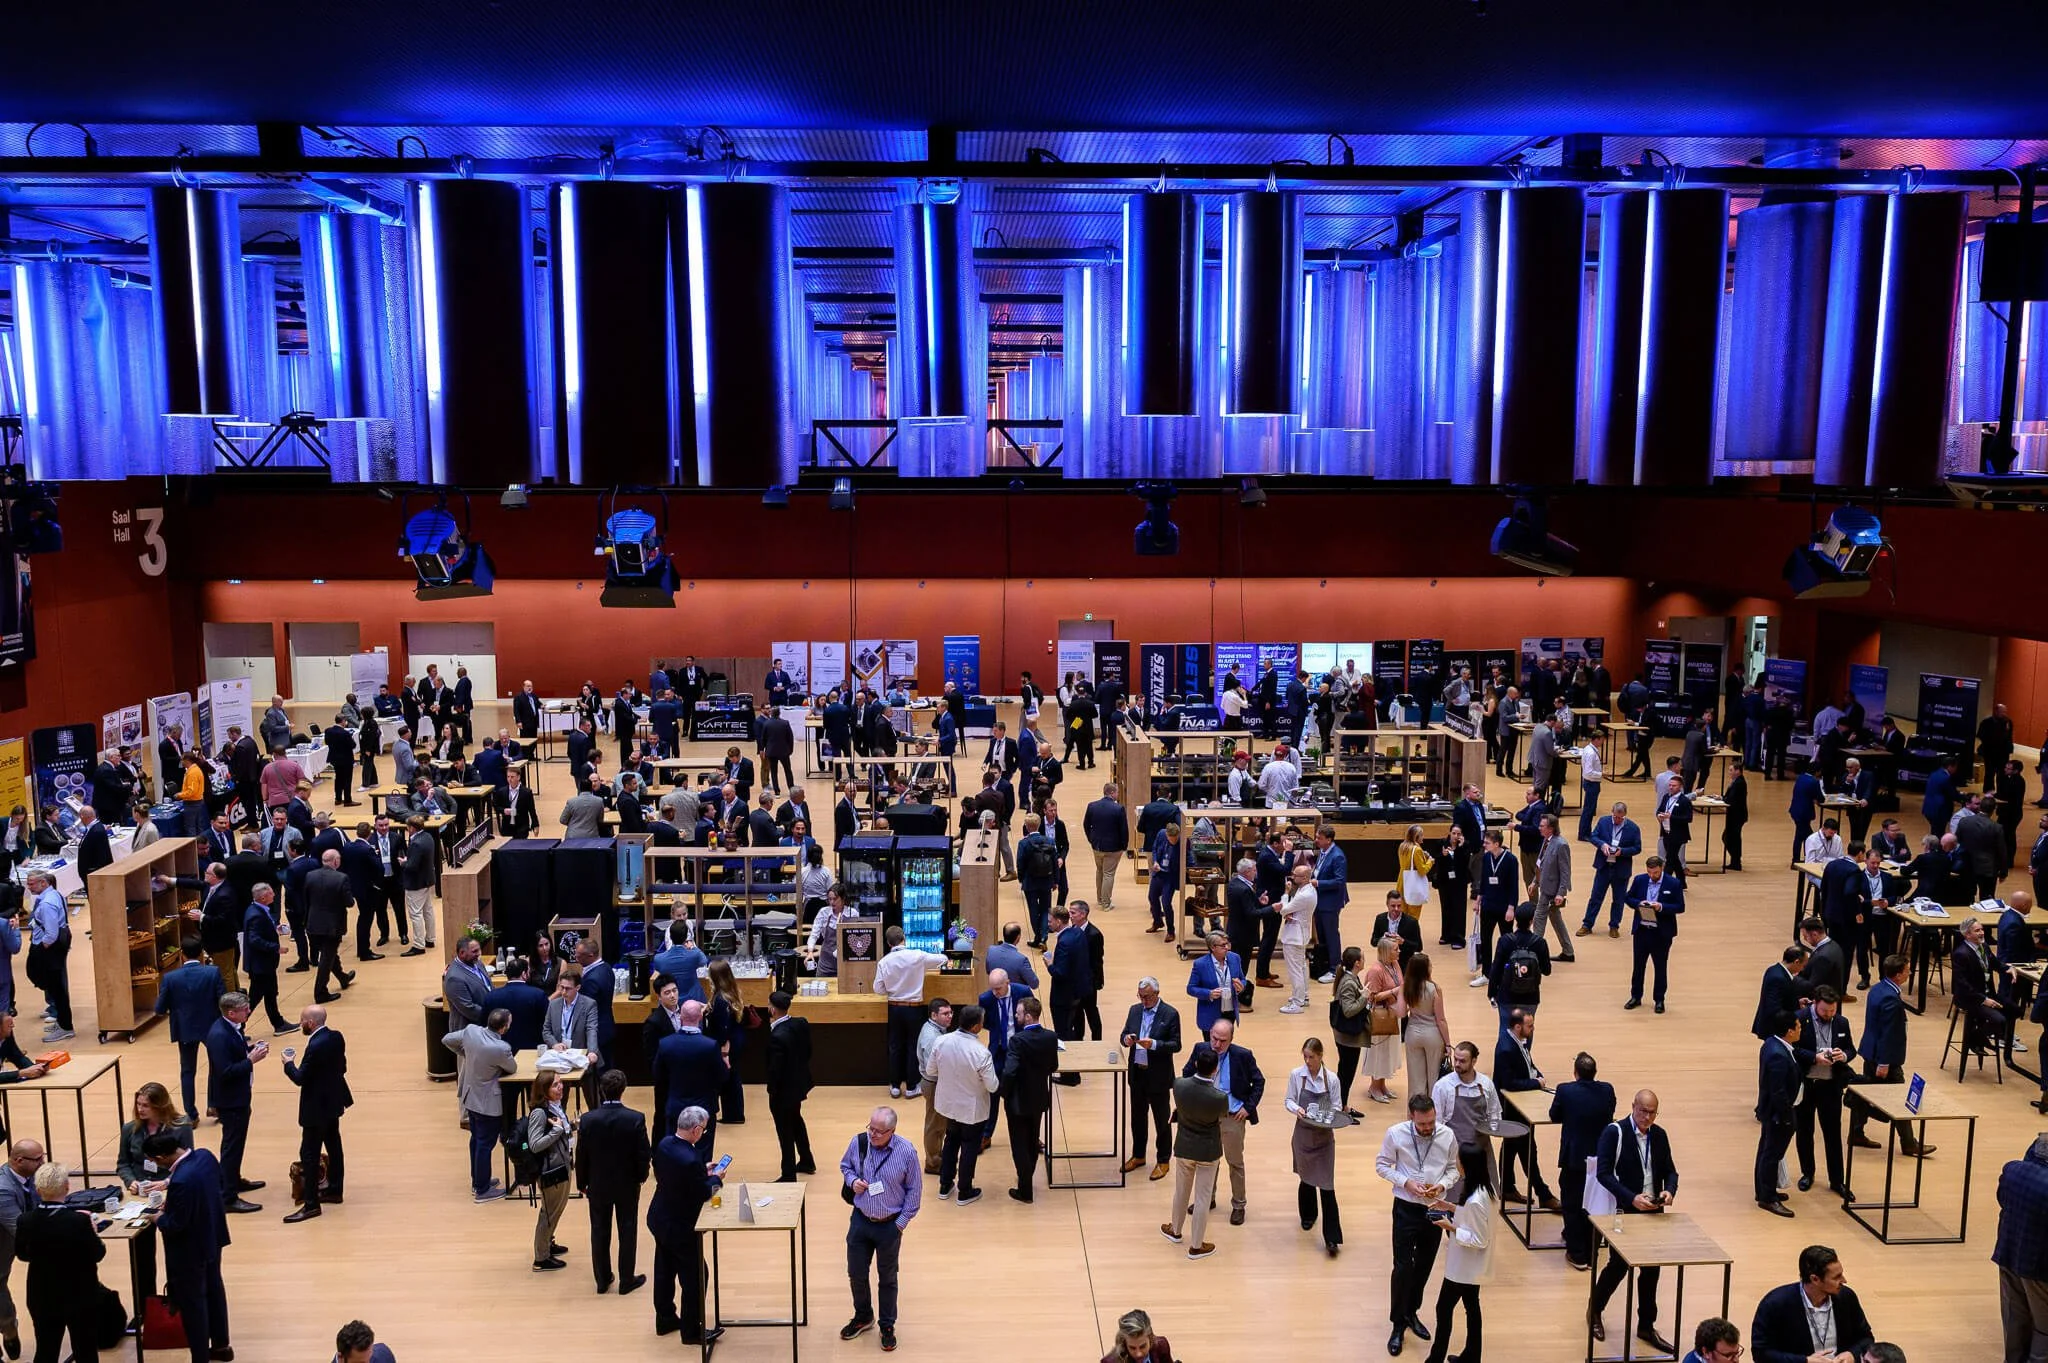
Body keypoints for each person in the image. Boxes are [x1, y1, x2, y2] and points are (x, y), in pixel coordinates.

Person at [1588, 1090, 1679, 1355]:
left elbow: (1671, 1170)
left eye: (1652, 1113)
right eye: (1643, 1112)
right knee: (1617, 1266)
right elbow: (1604, 1174)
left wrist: (1669, 1191)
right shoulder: (1614, 1133)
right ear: (1633, 1107)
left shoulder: (1659, 1135)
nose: (1647, 1118)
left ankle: (1646, 1325)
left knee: (1651, 1270)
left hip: (1653, 1211)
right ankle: (1594, 1310)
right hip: (1624, 1210)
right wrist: (1631, 1198)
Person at [1377, 1092, 1459, 1356]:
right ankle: (1398, 1324)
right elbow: (1382, 1165)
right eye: (1422, 1124)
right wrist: (1406, 1182)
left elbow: (1454, 1169)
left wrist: (1443, 1185)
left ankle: (1412, 1312)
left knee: (1424, 1266)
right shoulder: (1395, 1133)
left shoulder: (1446, 1135)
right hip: (1405, 1208)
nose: (1427, 1128)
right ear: (1411, 1116)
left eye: (1431, 1122)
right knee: (1402, 1267)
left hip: (1434, 1210)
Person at [146, 1126, 233, 1363]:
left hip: (189, 1251)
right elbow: (217, 1187)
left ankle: (200, 1356)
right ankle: (222, 1345)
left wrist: (157, 1218)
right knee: (214, 1289)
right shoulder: (205, 1156)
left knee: (194, 1303)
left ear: (161, 1158)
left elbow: (175, 1223)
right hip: (213, 1236)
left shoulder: (182, 1180)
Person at [838, 1106, 922, 1351]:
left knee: (887, 1278)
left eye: (879, 1132)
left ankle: (887, 1324)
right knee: (856, 1272)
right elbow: (846, 1166)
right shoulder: (859, 1142)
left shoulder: (906, 1152)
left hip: (889, 1226)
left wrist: (899, 1225)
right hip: (861, 1220)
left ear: (892, 1132)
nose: (872, 1135)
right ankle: (863, 1316)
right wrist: (853, 1182)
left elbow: (914, 1193)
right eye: (870, 1128)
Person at [1847, 954, 1935, 1159]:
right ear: (1897, 975)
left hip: (1870, 1051)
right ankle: (1909, 1144)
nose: (1910, 973)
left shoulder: (1878, 989)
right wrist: (1884, 1062)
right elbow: (1888, 1033)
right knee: (1899, 1099)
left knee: (1865, 1093)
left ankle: (1856, 1132)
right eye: (1907, 970)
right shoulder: (1890, 999)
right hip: (1884, 1059)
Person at [19, 1159, 106, 1363]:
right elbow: (97, 1254)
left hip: (42, 1294)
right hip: (80, 1294)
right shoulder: (79, 1221)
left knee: (46, 1350)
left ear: (38, 1189)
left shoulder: (25, 1220)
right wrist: (94, 1234)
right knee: (85, 1350)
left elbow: (22, 1255)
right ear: (67, 1187)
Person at [649, 1106, 722, 1344]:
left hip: (659, 1217)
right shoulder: (690, 1160)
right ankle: (692, 1331)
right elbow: (702, 1191)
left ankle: (665, 1317)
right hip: (680, 1225)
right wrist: (714, 1179)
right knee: (696, 1276)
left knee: (664, 1268)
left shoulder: (665, 1144)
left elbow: (678, 1175)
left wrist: (703, 1171)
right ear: (696, 1129)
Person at [575, 1068, 651, 1295]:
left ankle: (602, 1278)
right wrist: (642, 1176)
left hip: (597, 1184)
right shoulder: (635, 1119)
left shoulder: (588, 1120)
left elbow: (581, 1154)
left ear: (601, 1089)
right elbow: (643, 1153)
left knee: (599, 1230)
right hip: (627, 1184)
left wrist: (581, 1183)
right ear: (623, 1090)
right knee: (627, 1229)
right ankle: (626, 1279)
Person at [1183, 1018, 1262, 1226]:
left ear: (1231, 1040)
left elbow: (1259, 1082)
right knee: (1208, 1160)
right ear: (1209, 1034)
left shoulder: (1243, 1055)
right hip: (1207, 1116)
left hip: (1232, 1116)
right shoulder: (1201, 1049)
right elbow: (1186, 1074)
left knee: (1234, 1162)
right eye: (1214, 1038)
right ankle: (1208, 1199)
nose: (1217, 1045)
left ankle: (1239, 1205)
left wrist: (1248, 1107)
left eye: (1222, 1041)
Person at [1422, 1140, 1494, 1363]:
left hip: (1464, 1268)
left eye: (1459, 1160)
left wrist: (1450, 1226)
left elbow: (1479, 1239)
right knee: (1472, 1308)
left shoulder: (1475, 1200)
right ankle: (1472, 1356)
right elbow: (1473, 1219)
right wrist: (1450, 1207)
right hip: (1471, 1266)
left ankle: (1436, 1358)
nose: (1456, 1162)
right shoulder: (1483, 1190)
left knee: (1443, 1310)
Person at [281, 1004, 351, 1222]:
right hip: (333, 1102)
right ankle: (335, 1189)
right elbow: (343, 1067)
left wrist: (288, 1064)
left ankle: (311, 1204)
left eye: (302, 1020)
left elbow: (300, 1078)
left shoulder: (315, 1046)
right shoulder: (336, 1037)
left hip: (316, 1108)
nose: (301, 1023)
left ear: (310, 1023)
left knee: (309, 1154)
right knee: (334, 1146)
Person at [923, 1004, 998, 1204]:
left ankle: (945, 1184)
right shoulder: (981, 1052)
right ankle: (965, 1190)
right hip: (972, 1110)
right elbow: (992, 1086)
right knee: (969, 1147)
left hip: (948, 1104)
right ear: (976, 1027)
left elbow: (931, 1071)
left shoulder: (941, 1041)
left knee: (950, 1141)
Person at [1550, 1050, 1618, 1271]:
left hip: (1575, 1158)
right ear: (1595, 1072)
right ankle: (1591, 1252)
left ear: (1575, 1072)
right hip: (1600, 1158)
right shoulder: (1607, 1090)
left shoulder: (1565, 1090)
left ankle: (1577, 1253)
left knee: (1572, 1202)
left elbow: (1554, 1115)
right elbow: (1610, 1112)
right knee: (1593, 1203)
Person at [1750, 1244, 1876, 1363]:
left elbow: (1866, 1338)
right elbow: (1761, 1353)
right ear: (1815, 1279)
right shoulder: (1775, 1304)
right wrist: (1804, 1361)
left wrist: (1852, 1354)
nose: (1844, 1280)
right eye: (1836, 1277)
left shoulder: (1846, 1297)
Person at [204, 992, 269, 1214]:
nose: (249, 1012)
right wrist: (251, 1060)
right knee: (232, 1147)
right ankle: (228, 1197)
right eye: (244, 1009)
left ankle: (233, 1179)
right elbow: (225, 1072)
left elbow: (235, 1056)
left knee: (236, 1144)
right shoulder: (219, 1035)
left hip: (238, 1096)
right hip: (230, 1100)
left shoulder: (232, 1027)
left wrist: (250, 1051)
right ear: (231, 1013)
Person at [442, 1008, 516, 1203]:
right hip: (487, 1103)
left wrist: (466, 1054)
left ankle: (478, 1180)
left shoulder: (471, 1031)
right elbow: (512, 1068)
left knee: (476, 1140)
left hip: (470, 1096)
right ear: (503, 1028)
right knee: (485, 1144)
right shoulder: (501, 1048)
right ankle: (482, 1190)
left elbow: (447, 1039)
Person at [1161, 1046, 1227, 1261]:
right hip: (1208, 1150)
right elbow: (1222, 1117)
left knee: (1181, 1191)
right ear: (1215, 1070)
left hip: (1184, 1147)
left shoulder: (1179, 1084)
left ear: (1197, 1064)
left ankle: (1176, 1231)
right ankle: (1196, 1246)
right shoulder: (1219, 1096)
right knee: (1202, 1198)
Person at [152, 939, 225, 1123]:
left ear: (181, 954)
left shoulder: (170, 978)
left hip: (185, 1029)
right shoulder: (213, 972)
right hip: (212, 1028)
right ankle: (214, 1105)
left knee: (187, 1071)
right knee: (216, 1067)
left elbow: (159, 1008)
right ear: (201, 953)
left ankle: (191, 1115)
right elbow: (223, 1001)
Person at [1285, 1037, 1344, 1255]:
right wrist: (1297, 1110)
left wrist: (1326, 1114)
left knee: (1327, 1185)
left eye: (1312, 1057)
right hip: (1302, 1134)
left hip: (1324, 1136)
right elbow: (1289, 1100)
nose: (1308, 1061)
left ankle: (1332, 1238)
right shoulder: (1296, 1075)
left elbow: (1337, 1105)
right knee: (1306, 1176)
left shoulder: (1332, 1079)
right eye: (1305, 1057)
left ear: (1321, 1056)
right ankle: (1308, 1215)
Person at [1118, 977, 1181, 1181]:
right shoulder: (1134, 1010)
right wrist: (1126, 1039)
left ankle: (1163, 1160)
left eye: (1147, 997)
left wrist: (1154, 1044)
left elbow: (1176, 1044)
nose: (1143, 1001)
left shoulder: (1170, 1014)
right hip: (1137, 1073)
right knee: (1137, 1118)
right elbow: (1124, 1034)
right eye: (1141, 996)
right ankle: (1138, 1155)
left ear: (1157, 994)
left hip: (1158, 1076)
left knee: (1161, 1120)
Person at [999, 997, 1059, 1201]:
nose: (1016, 1016)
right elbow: (1053, 1067)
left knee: (1019, 1144)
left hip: (1018, 1101)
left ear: (1028, 1016)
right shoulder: (1051, 1037)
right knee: (1032, 1140)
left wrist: (1003, 1092)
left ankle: (1025, 1189)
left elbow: (1009, 1072)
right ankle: (1027, 1176)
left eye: (1018, 1013)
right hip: (1039, 1097)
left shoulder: (1017, 1040)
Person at [1995, 1133, 2048, 1363]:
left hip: (2007, 1252)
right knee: (2045, 1329)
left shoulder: (2011, 1171)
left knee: (2015, 1319)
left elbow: (2001, 1200)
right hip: (2039, 1268)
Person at [876, 927, 947, 1099]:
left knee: (894, 1047)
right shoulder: (917, 955)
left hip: (894, 1007)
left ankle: (894, 1085)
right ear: (904, 939)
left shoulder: (884, 962)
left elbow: (878, 988)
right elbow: (943, 959)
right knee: (913, 1046)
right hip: (914, 1007)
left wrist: (892, 989)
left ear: (888, 943)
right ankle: (911, 1086)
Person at [650, 999, 726, 1147]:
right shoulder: (710, 1045)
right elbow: (722, 1076)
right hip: (703, 1108)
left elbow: (657, 1074)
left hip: (675, 1106)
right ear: (700, 1018)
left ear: (680, 1017)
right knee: (703, 1152)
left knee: (675, 1151)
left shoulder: (666, 1044)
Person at [522, 1071, 575, 1271]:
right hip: (550, 1170)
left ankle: (548, 1243)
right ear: (544, 1091)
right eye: (554, 1085)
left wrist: (572, 1127)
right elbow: (535, 1145)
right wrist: (557, 1131)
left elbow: (562, 1130)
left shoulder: (555, 1106)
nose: (560, 1087)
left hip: (562, 1165)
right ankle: (541, 1258)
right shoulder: (539, 1113)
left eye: (560, 1083)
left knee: (557, 1209)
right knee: (549, 1213)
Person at [1754, 1011, 1803, 1217]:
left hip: (1771, 1112)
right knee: (1772, 1155)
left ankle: (1765, 1190)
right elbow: (1778, 1091)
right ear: (1789, 1031)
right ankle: (1767, 1197)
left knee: (1766, 1151)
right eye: (1798, 1026)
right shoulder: (1778, 1055)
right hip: (1777, 1115)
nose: (1801, 1028)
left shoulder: (1771, 1044)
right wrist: (1785, 1117)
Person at [764, 991, 816, 1182]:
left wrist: (772, 1090)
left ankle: (788, 1174)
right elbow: (808, 1051)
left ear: (772, 1009)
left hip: (783, 1092)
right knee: (796, 1120)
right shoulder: (801, 1022)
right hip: (799, 1084)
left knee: (784, 1131)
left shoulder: (777, 1036)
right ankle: (806, 1160)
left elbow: (775, 1070)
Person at [1624, 855, 1686, 1014]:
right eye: (1650, 872)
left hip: (1661, 933)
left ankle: (1659, 999)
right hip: (1642, 930)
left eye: (1656, 873)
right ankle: (1635, 996)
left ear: (1662, 869)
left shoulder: (1673, 883)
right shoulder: (1640, 880)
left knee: (1660, 967)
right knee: (1638, 966)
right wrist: (1638, 904)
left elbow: (1680, 906)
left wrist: (1661, 907)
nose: (1652, 876)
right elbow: (1628, 897)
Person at [1580, 801, 1642, 937]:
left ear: (1625, 815)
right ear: (1612, 813)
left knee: (1618, 899)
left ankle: (1614, 926)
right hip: (1604, 867)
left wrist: (1622, 851)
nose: (1618, 820)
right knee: (1595, 897)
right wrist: (1602, 845)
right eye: (1615, 817)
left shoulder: (1633, 828)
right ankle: (1587, 924)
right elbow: (1593, 836)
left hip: (1621, 869)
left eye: (1621, 818)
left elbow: (1637, 848)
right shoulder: (1603, 822)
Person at [22, 874, 70, 1042]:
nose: (29, 887)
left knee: (56, 986)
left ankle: (65, 1026)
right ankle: (64, 1022)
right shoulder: (54, 894)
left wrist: (41, 949)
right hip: (54, 945)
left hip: (50, 947)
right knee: (56, 986)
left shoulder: (47, 904)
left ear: (44, 883)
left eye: (32, 884)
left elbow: (51, 934)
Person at [1399, 952, 1450, 1100]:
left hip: (1413, 1034)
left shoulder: (1405, 987)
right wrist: (1448, 1044)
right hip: (1433, 1035)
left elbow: (1402, 1013)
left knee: (1416, 1080)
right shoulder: (1434, 988)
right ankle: (1432, 1114)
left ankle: (1414, 1115)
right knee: (1434, 1078)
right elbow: (1440, 1019)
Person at [1311, 825, 1351, 982]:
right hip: (1320, 901)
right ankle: (1326, 964)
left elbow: (1339, 881)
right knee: (1321, 935)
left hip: (1330, 902)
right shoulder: (1323, 851)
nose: (1316, 840)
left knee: (1331, 934)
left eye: (1319, 838)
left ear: (1329, 839)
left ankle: (1335, 969)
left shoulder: (1337, 856)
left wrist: (1318, 883)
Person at [1101, 1309, 1173, 1363]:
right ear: (1124, 1343)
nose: (1138, 1354)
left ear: (1151, 1339)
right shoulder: (1110, 1362)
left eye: (1143, 1346)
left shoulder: (1161, 1346)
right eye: (1132, 1348)